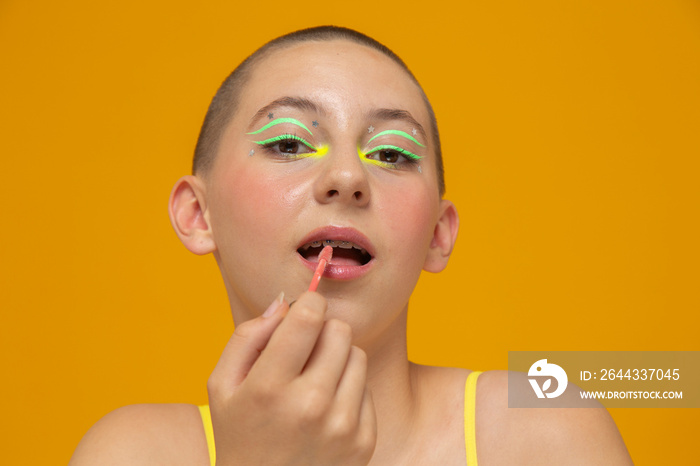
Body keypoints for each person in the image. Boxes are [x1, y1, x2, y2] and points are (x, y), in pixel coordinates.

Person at [70, 26, 633, 465]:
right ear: (198, 214)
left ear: (439, 234)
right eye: (289, 142)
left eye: (390, 153)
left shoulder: (545, 427)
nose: (347, 176)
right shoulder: (134, 452)